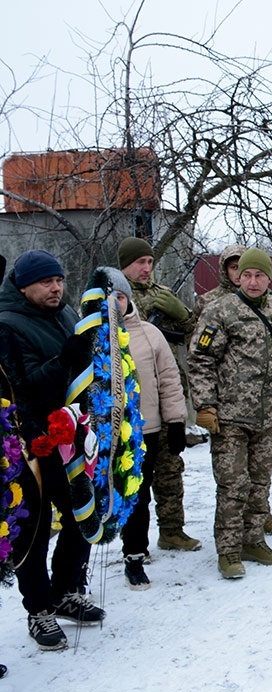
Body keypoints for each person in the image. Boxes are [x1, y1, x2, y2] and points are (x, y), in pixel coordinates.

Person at [0, 250, 105, 650]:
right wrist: (65, 360)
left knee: (82, 513)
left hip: (72, 434)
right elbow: (23, 388)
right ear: (24, 286)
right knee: (35, 529)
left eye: (59, 280)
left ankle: (65, 590)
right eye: (46, 282)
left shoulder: (63, 315)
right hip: (31, 443)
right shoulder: (7, 325)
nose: (56, 288)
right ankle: (39, 610)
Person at [188, 248, 272, 580]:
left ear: (269, 278)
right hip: (228, 417)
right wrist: (205, 405)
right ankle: (228, 549)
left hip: (266, 415)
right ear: (238, 277)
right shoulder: (219, 312)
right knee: (233, 484)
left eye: (260, 275)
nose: (254, 281)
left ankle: (253, 540)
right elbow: (200, 360)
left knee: (260, 482)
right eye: (247, 275)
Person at [96, 268, 187, 590]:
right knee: (100, 498)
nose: (114, 304)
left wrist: (176, 421)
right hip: (100, 435)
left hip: (143, 430)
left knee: (138, 495)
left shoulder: (149, 333)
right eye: (107, 298)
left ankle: (134, 556)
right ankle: (76, 571)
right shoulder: (88, 335)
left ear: (128, 298)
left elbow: (169, 380)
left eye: (119, 297)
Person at [118, 237, 201, 551]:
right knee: (133, 478)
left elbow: (193, 331)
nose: (146, 268)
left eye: (150, 262)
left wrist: (180, 312)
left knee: (170, 471)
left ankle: (172, 530)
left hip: (166, 396)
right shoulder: (114, 295)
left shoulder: (162, 294)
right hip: (133, 403)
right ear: (124, 264)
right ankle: (134, 543)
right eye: (140, 262)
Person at [193, 244, 245, 323]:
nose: (238, 273)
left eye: (242, 267)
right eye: (234, 267)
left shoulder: (260, 299)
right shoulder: (207, 300)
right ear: (225, 270)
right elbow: (193, 331)